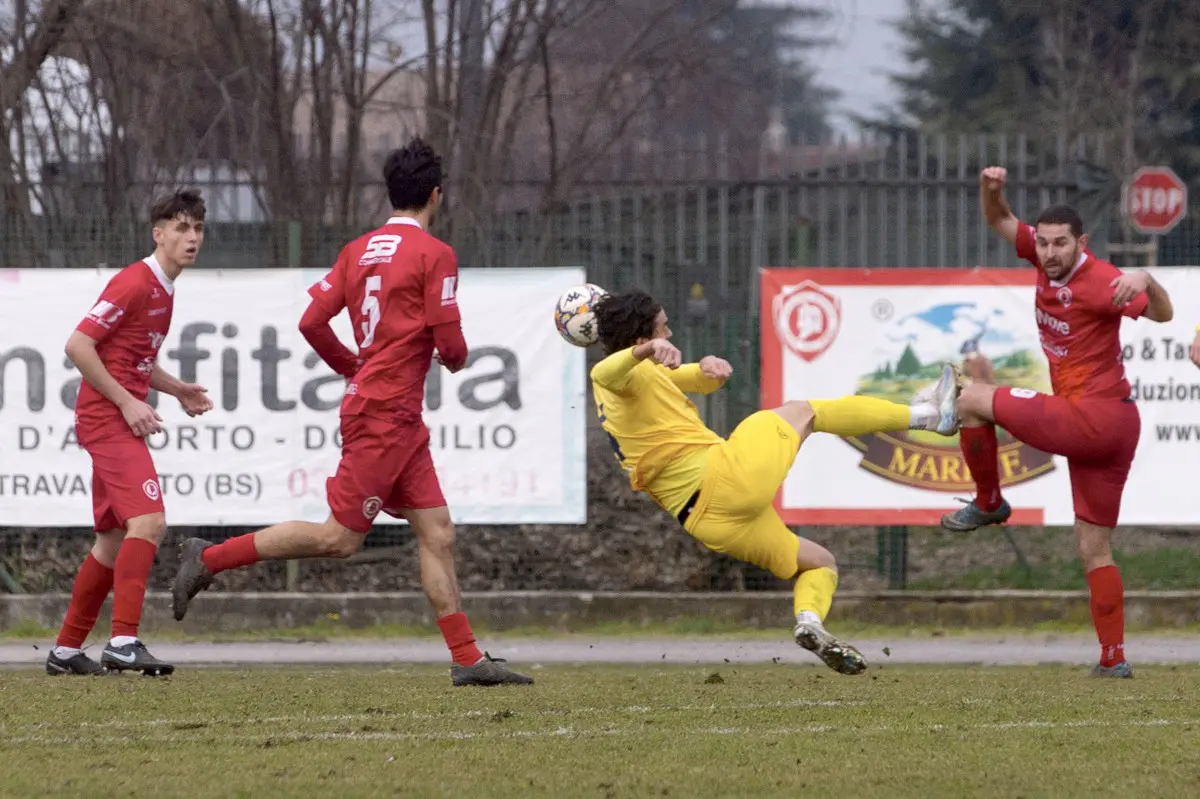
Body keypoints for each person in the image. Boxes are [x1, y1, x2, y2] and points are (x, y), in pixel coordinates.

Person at [170, 138, 532, 687]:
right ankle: (210, 557)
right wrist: (446, 359)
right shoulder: (435, 255)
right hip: (384, 418)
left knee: (438, 532)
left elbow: (312, 322)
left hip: (395, 419)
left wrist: (353, 366)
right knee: (338, 539)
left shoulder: (357, 250)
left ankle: (468, 659)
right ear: (437, 194)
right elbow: (453, 349)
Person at [590, 290, 962, 675]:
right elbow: (603, 372)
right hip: (721, 479)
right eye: (663, 329)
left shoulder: (643, 373)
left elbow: (693, 379)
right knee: (805, 412)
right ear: (640, 341)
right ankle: (932, 417)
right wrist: (647, 351)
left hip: (708, 521)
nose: (669, 333)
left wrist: (708, 368)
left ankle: (810, 624)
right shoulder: (617, 378)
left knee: (819, 563)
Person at [941, 166, 1175, 678]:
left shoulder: (1100, 280)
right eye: (1043, 243)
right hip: (1115, 425)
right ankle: (1113, 659)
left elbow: (1165, 315)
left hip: (1092, 419)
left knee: (971, 400)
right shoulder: (1043, 259)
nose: (1048, 253)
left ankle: (989, 502)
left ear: (1080, 243)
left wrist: (1145, 278)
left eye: (1060, 244)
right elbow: (1000, 218)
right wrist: (992, 188)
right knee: (1093, 546)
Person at [48, 190, 213, 677]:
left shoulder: (164, 288)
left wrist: (177, 388)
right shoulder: (135, 282)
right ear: (157, 233)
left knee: (114, 538)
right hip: (106, 419)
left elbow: (134, 360)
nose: (192, 238)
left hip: (112, 417)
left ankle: (64, 650)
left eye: (198, 229)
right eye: (181, 228)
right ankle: (123, 640)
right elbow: (78, 345)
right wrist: (125, 401)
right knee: (150, 521)